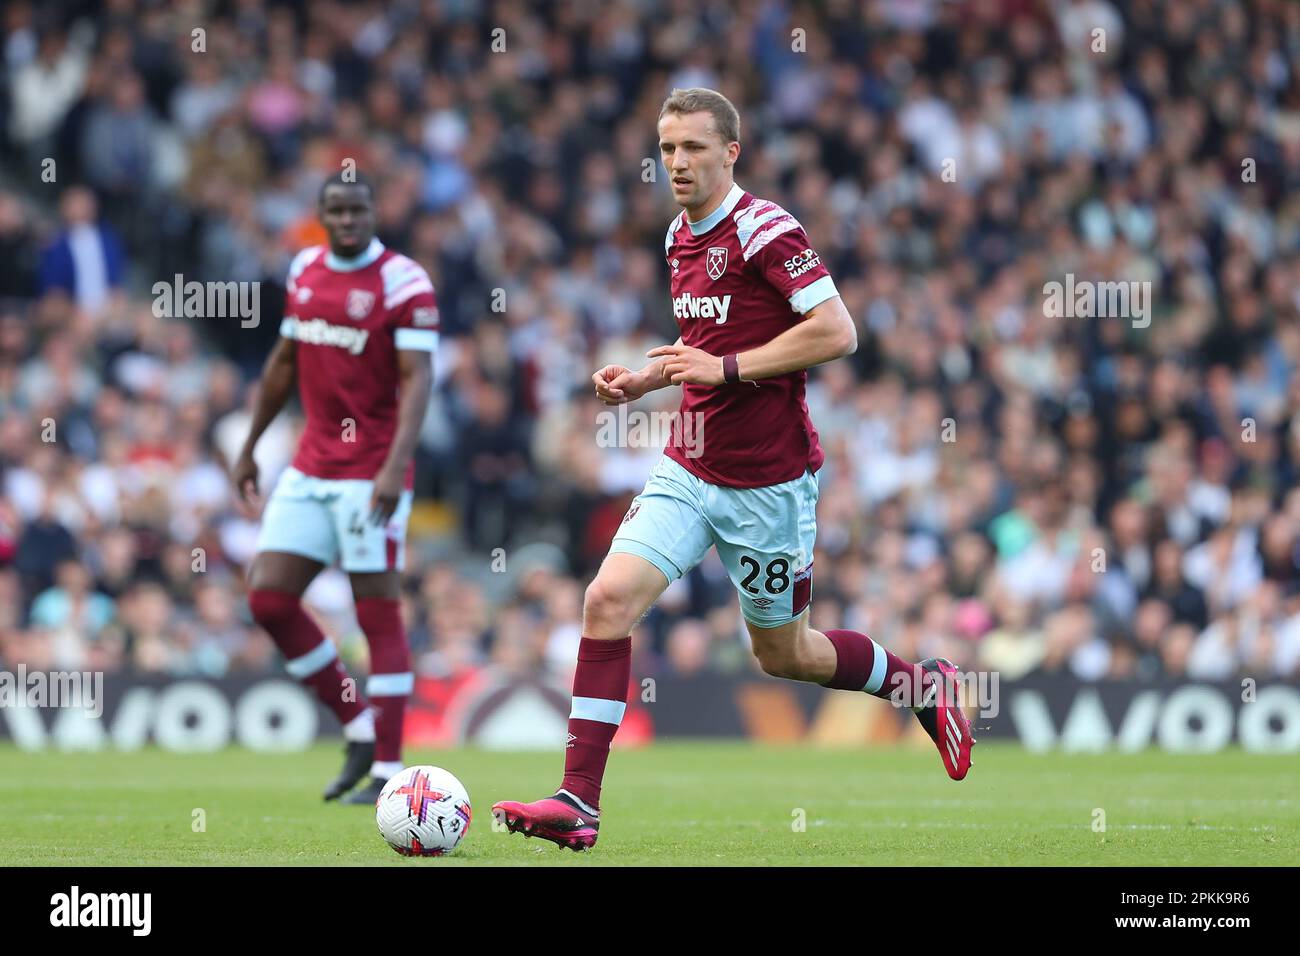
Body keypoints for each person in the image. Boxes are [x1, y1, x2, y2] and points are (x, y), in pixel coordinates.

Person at [493, 89, 975, 850]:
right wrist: (654, 380)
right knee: (606, 600)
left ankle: (924, 684)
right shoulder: (678, 236)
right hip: (689, 464)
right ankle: (577, 803)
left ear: (731, 153)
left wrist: (725, 368)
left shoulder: (767, 229)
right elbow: (707, 346)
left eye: (692, 148)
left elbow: (837, 331)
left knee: (785, 654)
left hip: (769, 487)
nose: (677, 162)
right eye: (667, 148)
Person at [231, 172, 437, 803]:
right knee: (267, 598)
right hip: (310, 464)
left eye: (358, 209)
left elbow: (419, 380)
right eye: (336, 210)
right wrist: (248, 446)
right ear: (322, 215)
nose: (348, 219)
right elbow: (283, 363)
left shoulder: (404, 282)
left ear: (376, 211)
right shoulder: (304, 269)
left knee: (376, 612)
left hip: (369, 472)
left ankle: (388, 771)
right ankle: (357, 726)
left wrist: (391, 470)